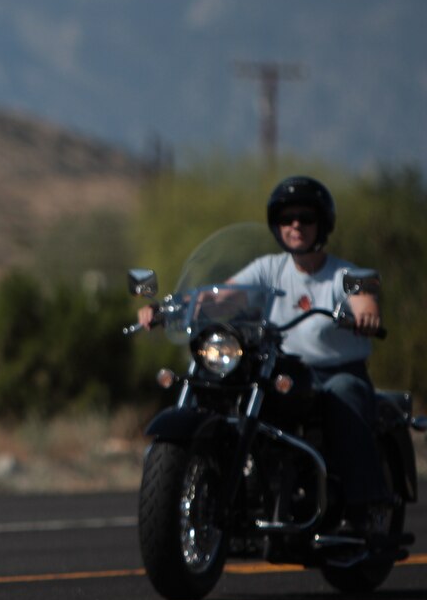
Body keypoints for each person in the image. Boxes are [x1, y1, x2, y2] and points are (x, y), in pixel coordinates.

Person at [137, 175, 390, 534]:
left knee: (343, 398)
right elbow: (225, 296)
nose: (296, 225)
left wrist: (365, 313)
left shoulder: (345, 273)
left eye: (305, 217)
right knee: (226, 386)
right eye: (287, 219)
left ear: (323, 223)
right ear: (277, 225)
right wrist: (173, 307)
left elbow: (365, 298)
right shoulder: (269, 269)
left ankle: (362, 506)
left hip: (335, 372)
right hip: (282, 368)